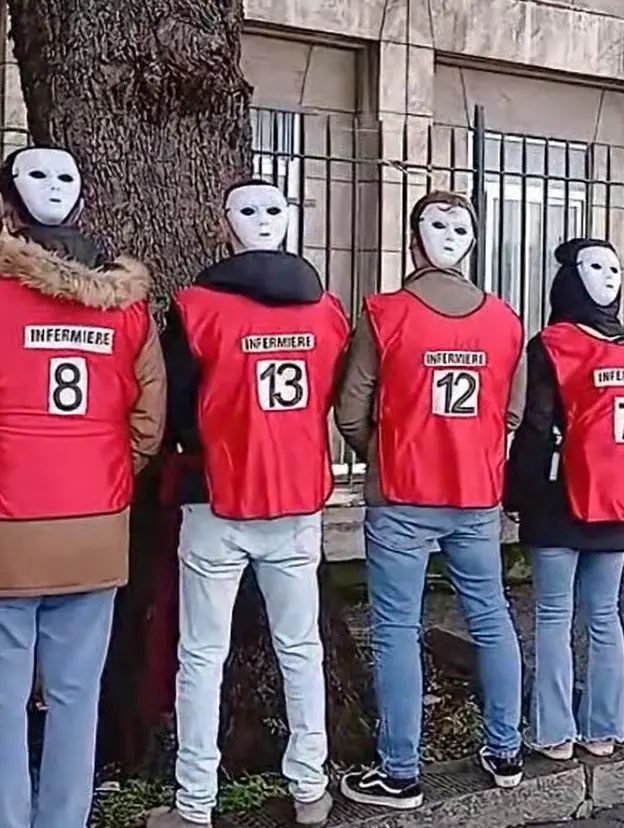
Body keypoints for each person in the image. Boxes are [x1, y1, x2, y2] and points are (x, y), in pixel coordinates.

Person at [152, 180, 348, 828]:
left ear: (222, 226)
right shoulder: (328, 309)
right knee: (301, 649)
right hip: (298, 497)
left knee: (202, 657)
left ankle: (195, 803)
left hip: (218, 496)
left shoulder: (195, 308)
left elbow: (176, 409)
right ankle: (311, 788)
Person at [334, 192, 527, 808]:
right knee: (491, 617)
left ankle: (400, 771)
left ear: (411, 243)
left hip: (403, 492)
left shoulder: (385, 312)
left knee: (396, 628)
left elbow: (351, 412)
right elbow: (513, 413)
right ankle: (504, 751)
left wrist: (384, 453)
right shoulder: (504, 319)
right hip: (474, 493)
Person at [0, 145, 164, 828]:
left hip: (10, 519)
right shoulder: (126, 306)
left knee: (5, 697)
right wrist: (108, 473)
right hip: (97, 521)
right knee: (75, 693)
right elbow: (150, 419)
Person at [508, 239, 624, 761]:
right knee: (605, 616)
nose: (610, 276)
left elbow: (534, 426)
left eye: (614, 266)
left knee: (554, 615)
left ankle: (553, 733)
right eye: (597, 266)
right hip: (620, 499)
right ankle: (604, 728)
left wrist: (517, 492)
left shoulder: (552, 343)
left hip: (559, 497)